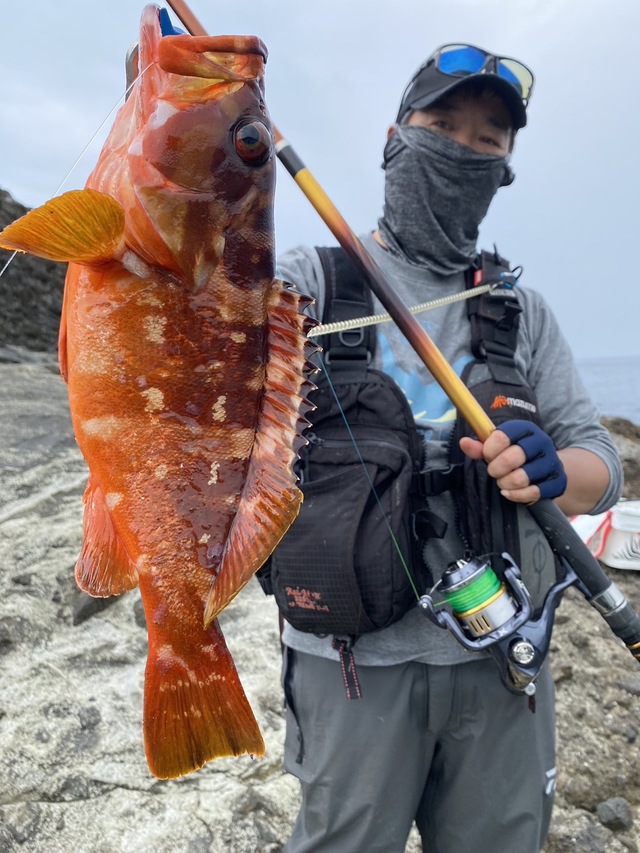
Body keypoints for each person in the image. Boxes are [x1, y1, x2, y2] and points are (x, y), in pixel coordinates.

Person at [273, 43, 623, 853]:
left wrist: (554, 470)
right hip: (349, 659)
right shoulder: (305, 284)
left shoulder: (518, 308)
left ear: (504, 170)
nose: (464, 148)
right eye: (442, 125)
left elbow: (600, 467)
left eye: (487, 140)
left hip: (502, 660)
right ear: (395, 138)